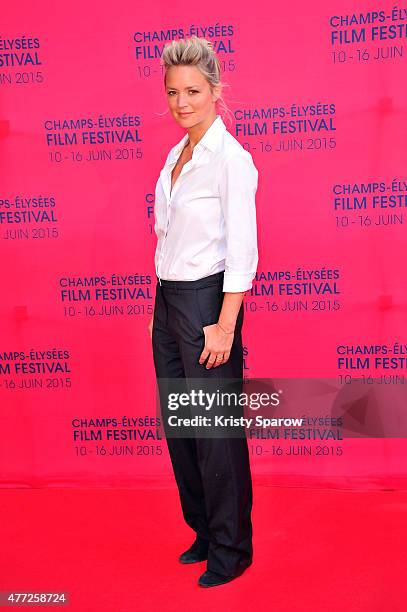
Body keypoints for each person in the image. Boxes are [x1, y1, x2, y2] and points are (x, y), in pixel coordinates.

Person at [148, 36, 259, 588]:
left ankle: (233, 549)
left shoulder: (231, 161)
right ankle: (204, 531)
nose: (181, 102)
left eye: (193, 91)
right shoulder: (177, 153)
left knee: (215, 431)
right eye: (172, 92)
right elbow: (167, 236)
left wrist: (224, 321)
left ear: (216, 92)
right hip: (168, 300)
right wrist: (162, 309)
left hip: (206, 302)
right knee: (182, 427)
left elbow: (242, 249)